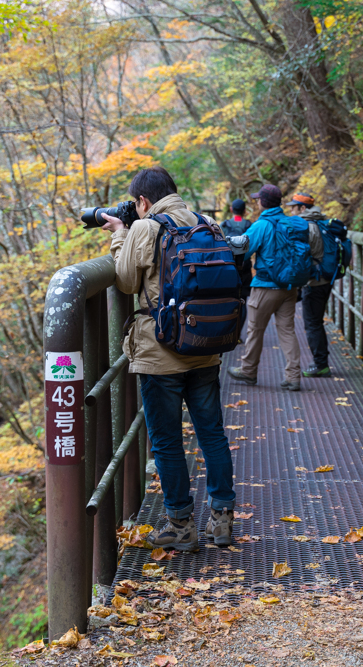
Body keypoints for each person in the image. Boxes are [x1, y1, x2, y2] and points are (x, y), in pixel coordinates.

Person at [96, 166, 236, 550]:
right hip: (205, 346)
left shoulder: (146, 227)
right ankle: (222, 519)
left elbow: (125, 281)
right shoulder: (207, 222)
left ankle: (180, 524)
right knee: (211, 432)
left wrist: (120, 237)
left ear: (142, 201)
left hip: (161, 354)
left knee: (167, 440)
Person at [227, 184, 311, 391]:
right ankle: (293, 377)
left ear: (263, 202)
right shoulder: (290, 223)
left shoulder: (262, 225)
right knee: (287, 331)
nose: (256, 202)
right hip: (289, 287)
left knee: (255, 330)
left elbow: (243, 252)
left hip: (265, 286)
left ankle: (248, 371)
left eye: (258, 199)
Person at [287, 192, 333, 378]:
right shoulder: (321, 222)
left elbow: (302, 256)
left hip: (314, 282)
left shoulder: (307, 226)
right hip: (324, 279)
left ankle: (321, 364)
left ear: (303, 208)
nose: (290, 210)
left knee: (312, 323)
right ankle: (321, 361)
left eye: (293, 207)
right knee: (317, 321)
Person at [221, 199, 253, 341]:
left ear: (231, 209)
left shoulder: (224, 225)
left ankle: (229, 333)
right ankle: (238, 335)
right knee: (243, 301)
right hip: (244, 270)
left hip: (228, 268)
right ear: (245, 210)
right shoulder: (249, 225)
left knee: (227, 300)